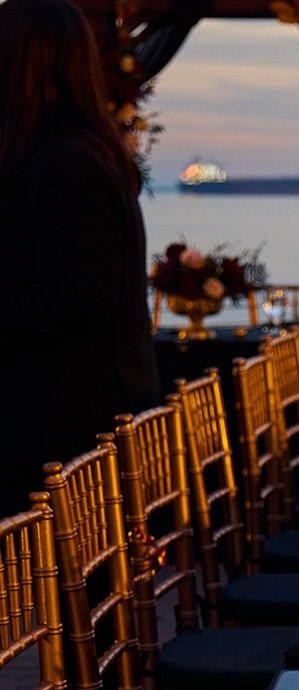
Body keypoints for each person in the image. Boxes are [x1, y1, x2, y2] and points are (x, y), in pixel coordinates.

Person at [0, 0, 160, 515]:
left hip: (61, 437)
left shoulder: (66, 163)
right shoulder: (79, 153)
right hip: (73, 429)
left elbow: (78, 302)